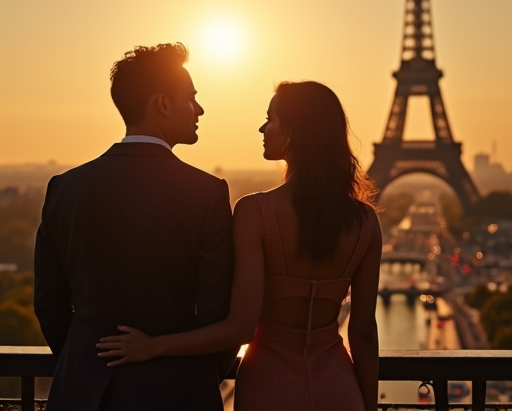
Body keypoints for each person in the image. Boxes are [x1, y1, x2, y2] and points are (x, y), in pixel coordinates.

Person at [98, 81, 382, 411]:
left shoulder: (255, 212)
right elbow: (362, 333)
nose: (262, 127)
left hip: (270, 384)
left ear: (293, 132)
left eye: (270, 118)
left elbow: (240, 327)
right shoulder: (365, 222)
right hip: (338, 386)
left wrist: (153, 346)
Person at [34, 43, 235, 411]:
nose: (200, 109)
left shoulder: (64, 188)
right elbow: (217, 310)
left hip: (83, 391)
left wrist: (85, 359)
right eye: (191, 97)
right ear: (161, 103)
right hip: (179, 391)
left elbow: (49, 302)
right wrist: (193, 370)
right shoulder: (207, 193)